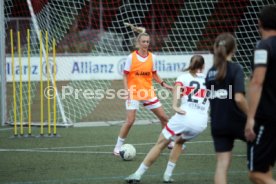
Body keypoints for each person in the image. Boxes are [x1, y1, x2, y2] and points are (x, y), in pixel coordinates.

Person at [125, 55, 209, 183]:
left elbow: (177, 91)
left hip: (184, 116)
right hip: (201, 122)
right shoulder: (209, 80)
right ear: (203, 67)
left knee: (160, 144)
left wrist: (175, 106)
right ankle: (167, 175)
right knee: (180, 142)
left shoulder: (183, 77)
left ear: (191, 64)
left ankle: (137, 174)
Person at [113, 28, 173, 156]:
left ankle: (168, 141)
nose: (146, 44)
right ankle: (117, 148)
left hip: (148, 92)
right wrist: (127, 91)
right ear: (138, 43)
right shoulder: (131, 57)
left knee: (164, 118)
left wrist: (164, 84)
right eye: (144, 41)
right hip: (133, 92)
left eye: (147, 42)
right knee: (130, 120)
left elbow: (154, 74)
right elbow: (125, 75)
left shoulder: (153, 57)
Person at [205, 33, 248, 184]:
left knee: (222, 165)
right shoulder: (236, 68)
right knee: (264, 149)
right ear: (234, 49)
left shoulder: (210, 72)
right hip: (238, 121)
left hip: (218, 122)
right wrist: (251, 116)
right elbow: (239, 98)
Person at [244, 5, 276, 184]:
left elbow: (257, 82)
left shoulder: (263, 47)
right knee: (266, 170)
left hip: (268, 116)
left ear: (260, 23)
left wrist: (250, 118)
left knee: (256, 174)